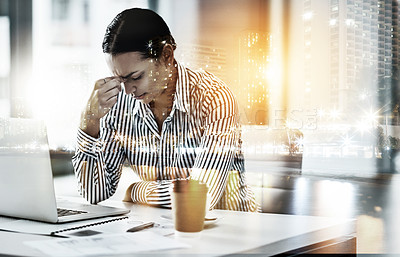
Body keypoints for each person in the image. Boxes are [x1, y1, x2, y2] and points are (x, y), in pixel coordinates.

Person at [72, 8, 259, 212]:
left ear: (167, 55)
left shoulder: (214, 99)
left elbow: (202, 197)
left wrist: (138, 191)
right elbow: (94, 192)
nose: (127, 90)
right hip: (160, 229)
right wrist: (89, 123)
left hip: (229, 229)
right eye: (120, 79)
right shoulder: (119, 103)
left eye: (136, 77)